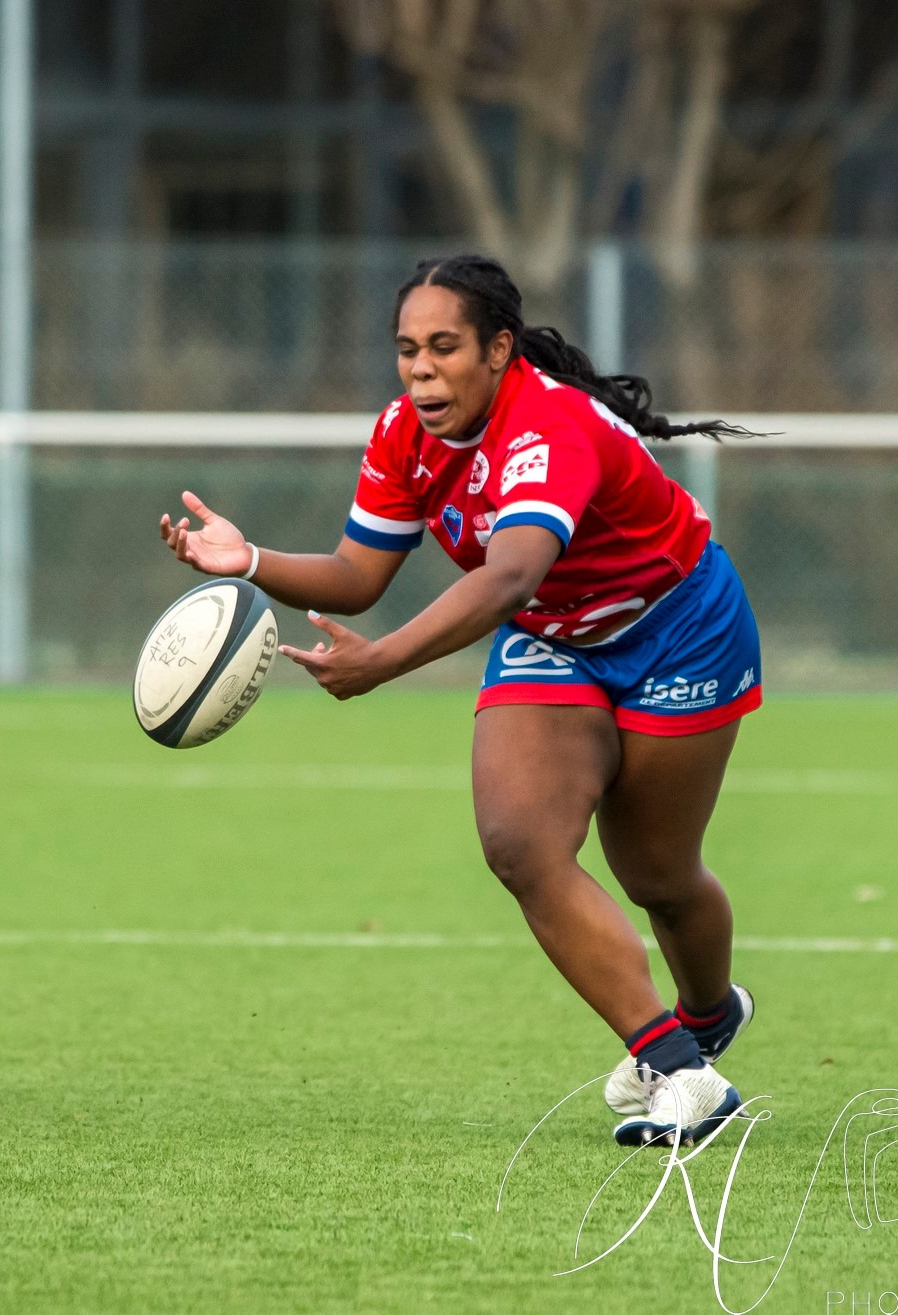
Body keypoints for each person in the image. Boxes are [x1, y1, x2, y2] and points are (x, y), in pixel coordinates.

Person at [159, 254, 761, 1147]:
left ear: (499, 349)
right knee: (519, 843)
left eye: (444, 347)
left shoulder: (547, 424)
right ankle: (680, 1069)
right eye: (407, 349)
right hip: (555, 635)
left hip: (678, 625)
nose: (420, 369)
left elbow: (511, 572)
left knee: (659, 876)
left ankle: (708, 1018)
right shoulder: (405, 433)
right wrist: (248, 560)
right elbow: (358, 575)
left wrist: (385, 663)